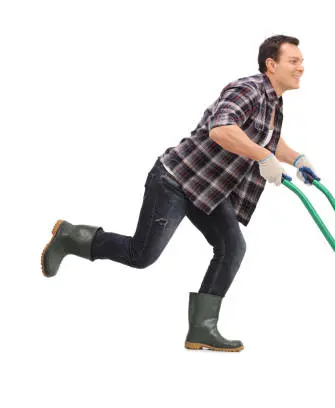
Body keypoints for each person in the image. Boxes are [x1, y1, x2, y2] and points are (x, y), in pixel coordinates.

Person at [40, 34, 320, 353]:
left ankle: (202, 329)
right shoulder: (249, 89)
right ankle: (72, 236)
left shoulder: (274, 102)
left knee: (232, 247)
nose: (301, 68)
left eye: (301, 62)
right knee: (141, 255)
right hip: (176, 180)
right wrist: (262, 157)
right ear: (272, 65)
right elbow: (222, 128)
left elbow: (269, 139)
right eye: (294, 61)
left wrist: (297, 160)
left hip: (208, 189)